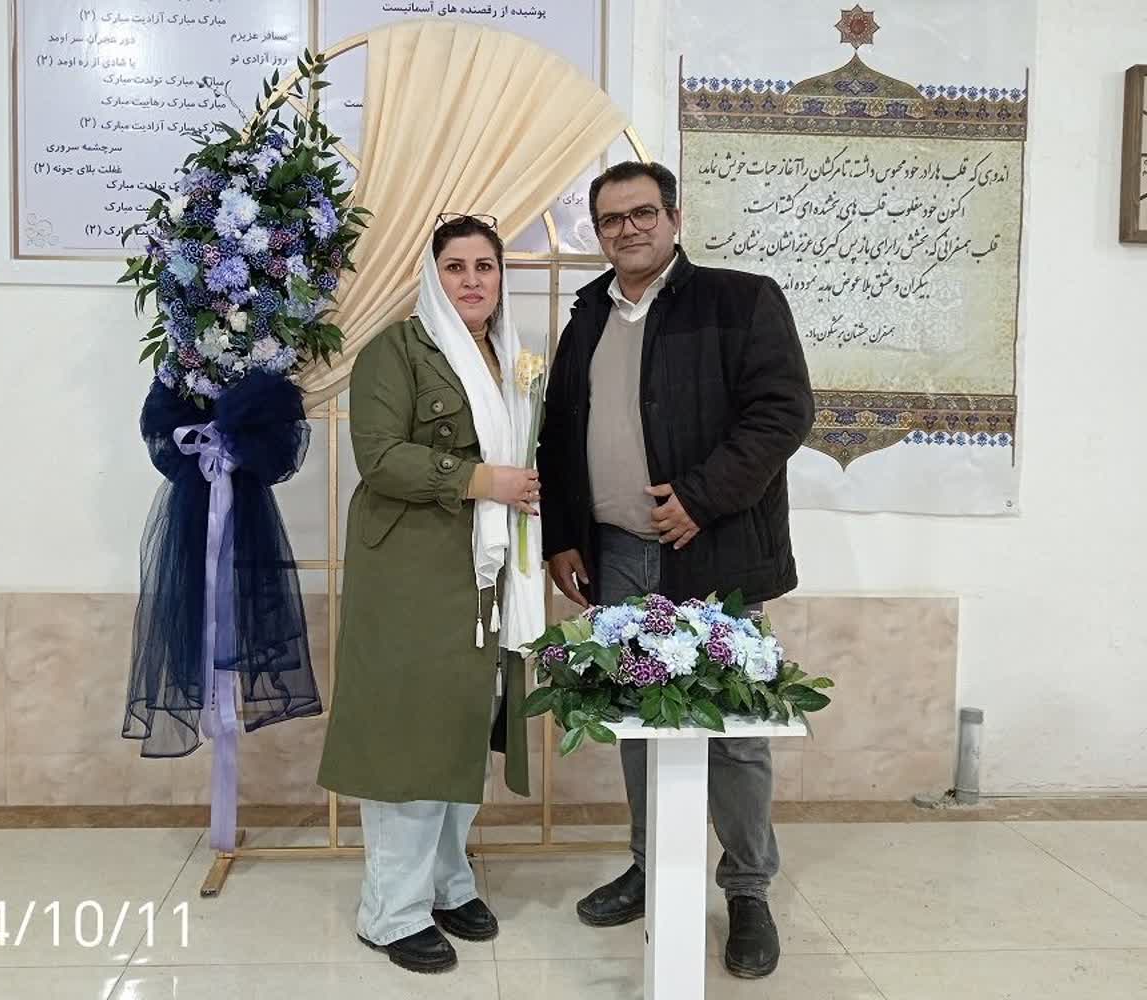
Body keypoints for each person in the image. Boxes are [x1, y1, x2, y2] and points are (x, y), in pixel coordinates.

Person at [536, 162, 814, 980]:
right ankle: (649, 864)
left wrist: (698, 496)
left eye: (642, 212)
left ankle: (747, 888)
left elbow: (782, 414)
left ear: (673, 217)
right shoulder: (588, 314)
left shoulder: (738, 300)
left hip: (714, 550)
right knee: (637, 719)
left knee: (732, 729)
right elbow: (559, 435)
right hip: (617, 553)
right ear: (597, 231)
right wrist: (563, 537)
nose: (627, 228)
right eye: (611, 218)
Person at [317, 214, 545, 974]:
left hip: (485, 572)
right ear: (432, 275)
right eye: (455, 266)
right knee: (408, 735)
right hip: (412, 569)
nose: (472, 280)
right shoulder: (397, 350)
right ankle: (391, 911)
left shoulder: (510, 356)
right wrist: (481, 479)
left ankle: (448, 883)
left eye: (485, 266)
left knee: (462, 725)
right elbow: (379, 457)